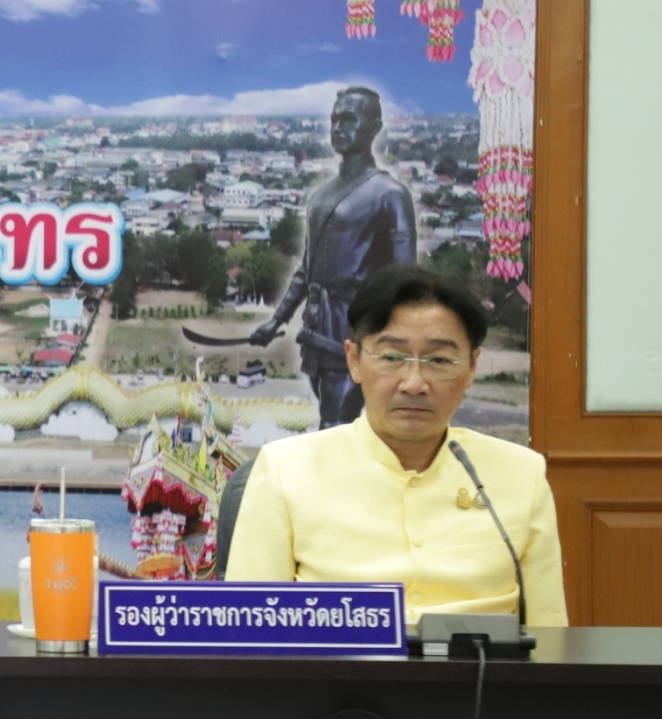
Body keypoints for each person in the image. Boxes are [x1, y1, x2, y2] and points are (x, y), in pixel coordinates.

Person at [225, 265, 566, 626]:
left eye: (439, 360)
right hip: (339, 682)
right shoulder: (285, 470)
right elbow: (250, 637)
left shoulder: (521, 474)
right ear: (354, 360)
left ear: (471, 368)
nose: (414, 383)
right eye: (392, 358)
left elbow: (550, 641)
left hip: (479, 682)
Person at [248, 86, 418, 428]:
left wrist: (386, 344)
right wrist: (277, 321)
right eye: (334, 119)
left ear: (373, 128)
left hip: (355, 335)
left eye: (349, 119)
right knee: (333, 426)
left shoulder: (390, 196)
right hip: (316, 334)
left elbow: (405, 282)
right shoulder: (322, 197)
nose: (338, 127)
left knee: (333, 426)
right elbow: (305, 272)